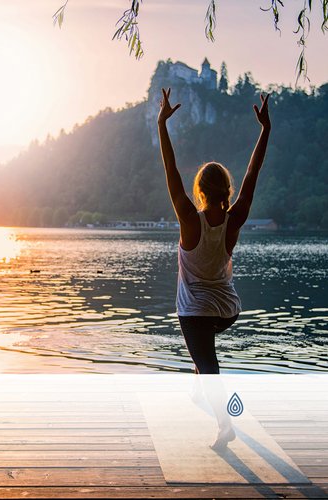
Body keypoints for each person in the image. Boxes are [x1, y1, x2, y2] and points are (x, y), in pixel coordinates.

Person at [157, 88, 271, 451]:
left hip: (195, 312)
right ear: (225, 191)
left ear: (200, 192)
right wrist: (265, 130)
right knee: (203, 359)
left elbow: (171, 171)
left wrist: (162, 125)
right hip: (228, 310)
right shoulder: (234, 219)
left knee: (208, 365)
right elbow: (253, 174)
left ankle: (225, 425)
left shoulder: (190, 220)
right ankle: (199, 379)